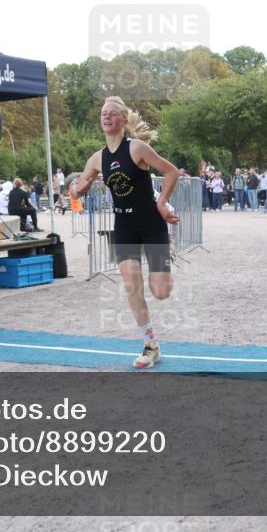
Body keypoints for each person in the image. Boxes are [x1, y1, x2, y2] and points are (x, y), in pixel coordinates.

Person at [69, 96, 179, 370]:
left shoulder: (137, 149)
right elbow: (76, 189)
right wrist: (76, 191)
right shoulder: (97, 159)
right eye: (103, 113)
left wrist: (162, 202)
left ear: (124, 121)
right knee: (131, 282)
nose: (106, 116)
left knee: (160, 292)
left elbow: (172, 172)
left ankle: (169, 250)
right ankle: (150, 344)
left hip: (152, 224)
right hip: (125, 226)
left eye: (113, 113)